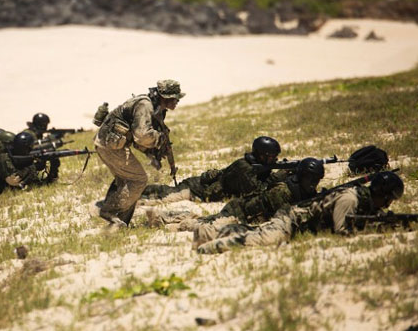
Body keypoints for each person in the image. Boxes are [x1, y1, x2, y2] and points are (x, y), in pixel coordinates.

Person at [196, 171, 404, 254]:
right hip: (292, 219)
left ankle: (216, 232)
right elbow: (342, 232)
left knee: (256, 232)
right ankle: (210, 247)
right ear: (381, 193)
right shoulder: (350, 199)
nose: (388, 203)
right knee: (270, 238)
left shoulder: (365, 202)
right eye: (389, 198)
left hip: (299, 224)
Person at [148, 157, 325, 235]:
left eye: (315, 180)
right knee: (203, 225)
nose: (312, 183)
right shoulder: (283, 191)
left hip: (242, 212)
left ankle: (166, 217)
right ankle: (167, 222)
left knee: (206, 219)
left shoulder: (296, 189)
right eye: (309, 179)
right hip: (238, 213)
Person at [94, 79, 185, 229]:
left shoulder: (155, 108)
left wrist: (152, 154)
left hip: (110, 143)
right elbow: (142, 136)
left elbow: (136, 138)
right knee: (139, 180)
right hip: (110, 145)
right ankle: (110, 211)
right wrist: (159, 139)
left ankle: (120, 222)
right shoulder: (145, 106)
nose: (177, 101)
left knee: (127, 179)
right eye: (175, 98)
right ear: (165, 97)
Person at [141, 136, 286, 202]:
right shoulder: (245, 168)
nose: (275, 160)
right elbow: (257, 191)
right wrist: (278, 176)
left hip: (200, 189)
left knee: (161, 194)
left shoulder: (252, 166)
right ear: (262, 156)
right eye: (272, 157)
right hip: (195, 190)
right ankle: (131, 190)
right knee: (160, 196)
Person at [22, 113, 60, 182]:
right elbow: (35, 148)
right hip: (26, 162)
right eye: (45, 125)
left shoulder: (32, 132)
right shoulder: (30, 134)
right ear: (41, 125)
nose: (46, 127)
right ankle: (52, 177)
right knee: (53, 155)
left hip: (27, 160)